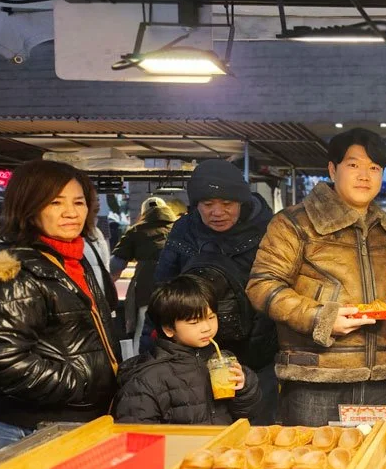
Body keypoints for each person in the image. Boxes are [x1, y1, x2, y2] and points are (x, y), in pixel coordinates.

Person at [246, 128, 386, 426]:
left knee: (373, 466)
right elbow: (261, 285)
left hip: (379, 378)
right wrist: (321, 317)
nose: (364, 176)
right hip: (315, 378)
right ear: (332, 169)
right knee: (311, 467)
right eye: (353, 165)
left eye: (374, 168)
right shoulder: (295, 223)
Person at [0, 160, 121, 450]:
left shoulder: (74, 259)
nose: (71, 212)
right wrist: (82, 382)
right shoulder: (14, 270)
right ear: (29, 207)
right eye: (55, 202)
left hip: (78, 419)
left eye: (79, 202)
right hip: (34, 427)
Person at [149, 159, 277, 424]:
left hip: (258, 352)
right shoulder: (184, 230)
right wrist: (152, 351)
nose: (217, 212)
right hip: (196, 354)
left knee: (254, 426)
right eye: (207, 205)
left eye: (227, 204)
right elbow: (163, 290)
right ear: (196, 205)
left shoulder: (271, 230)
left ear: (241, 201)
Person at [112, 275, 260, 424]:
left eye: (211, 317)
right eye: (194, 322)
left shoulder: (220, 359)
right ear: (169, 329)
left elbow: (247, 415)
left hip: (222, 446)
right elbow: (137, 436)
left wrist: (244, 387)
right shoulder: (148, 378)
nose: (206, 328)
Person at [111, 197, 177, 350]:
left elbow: (116, 265)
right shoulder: (179, 228)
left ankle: (142, 367)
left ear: (144, 213)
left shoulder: (136, 230)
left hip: (147, 290)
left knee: (143, 331)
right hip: (178, 289)